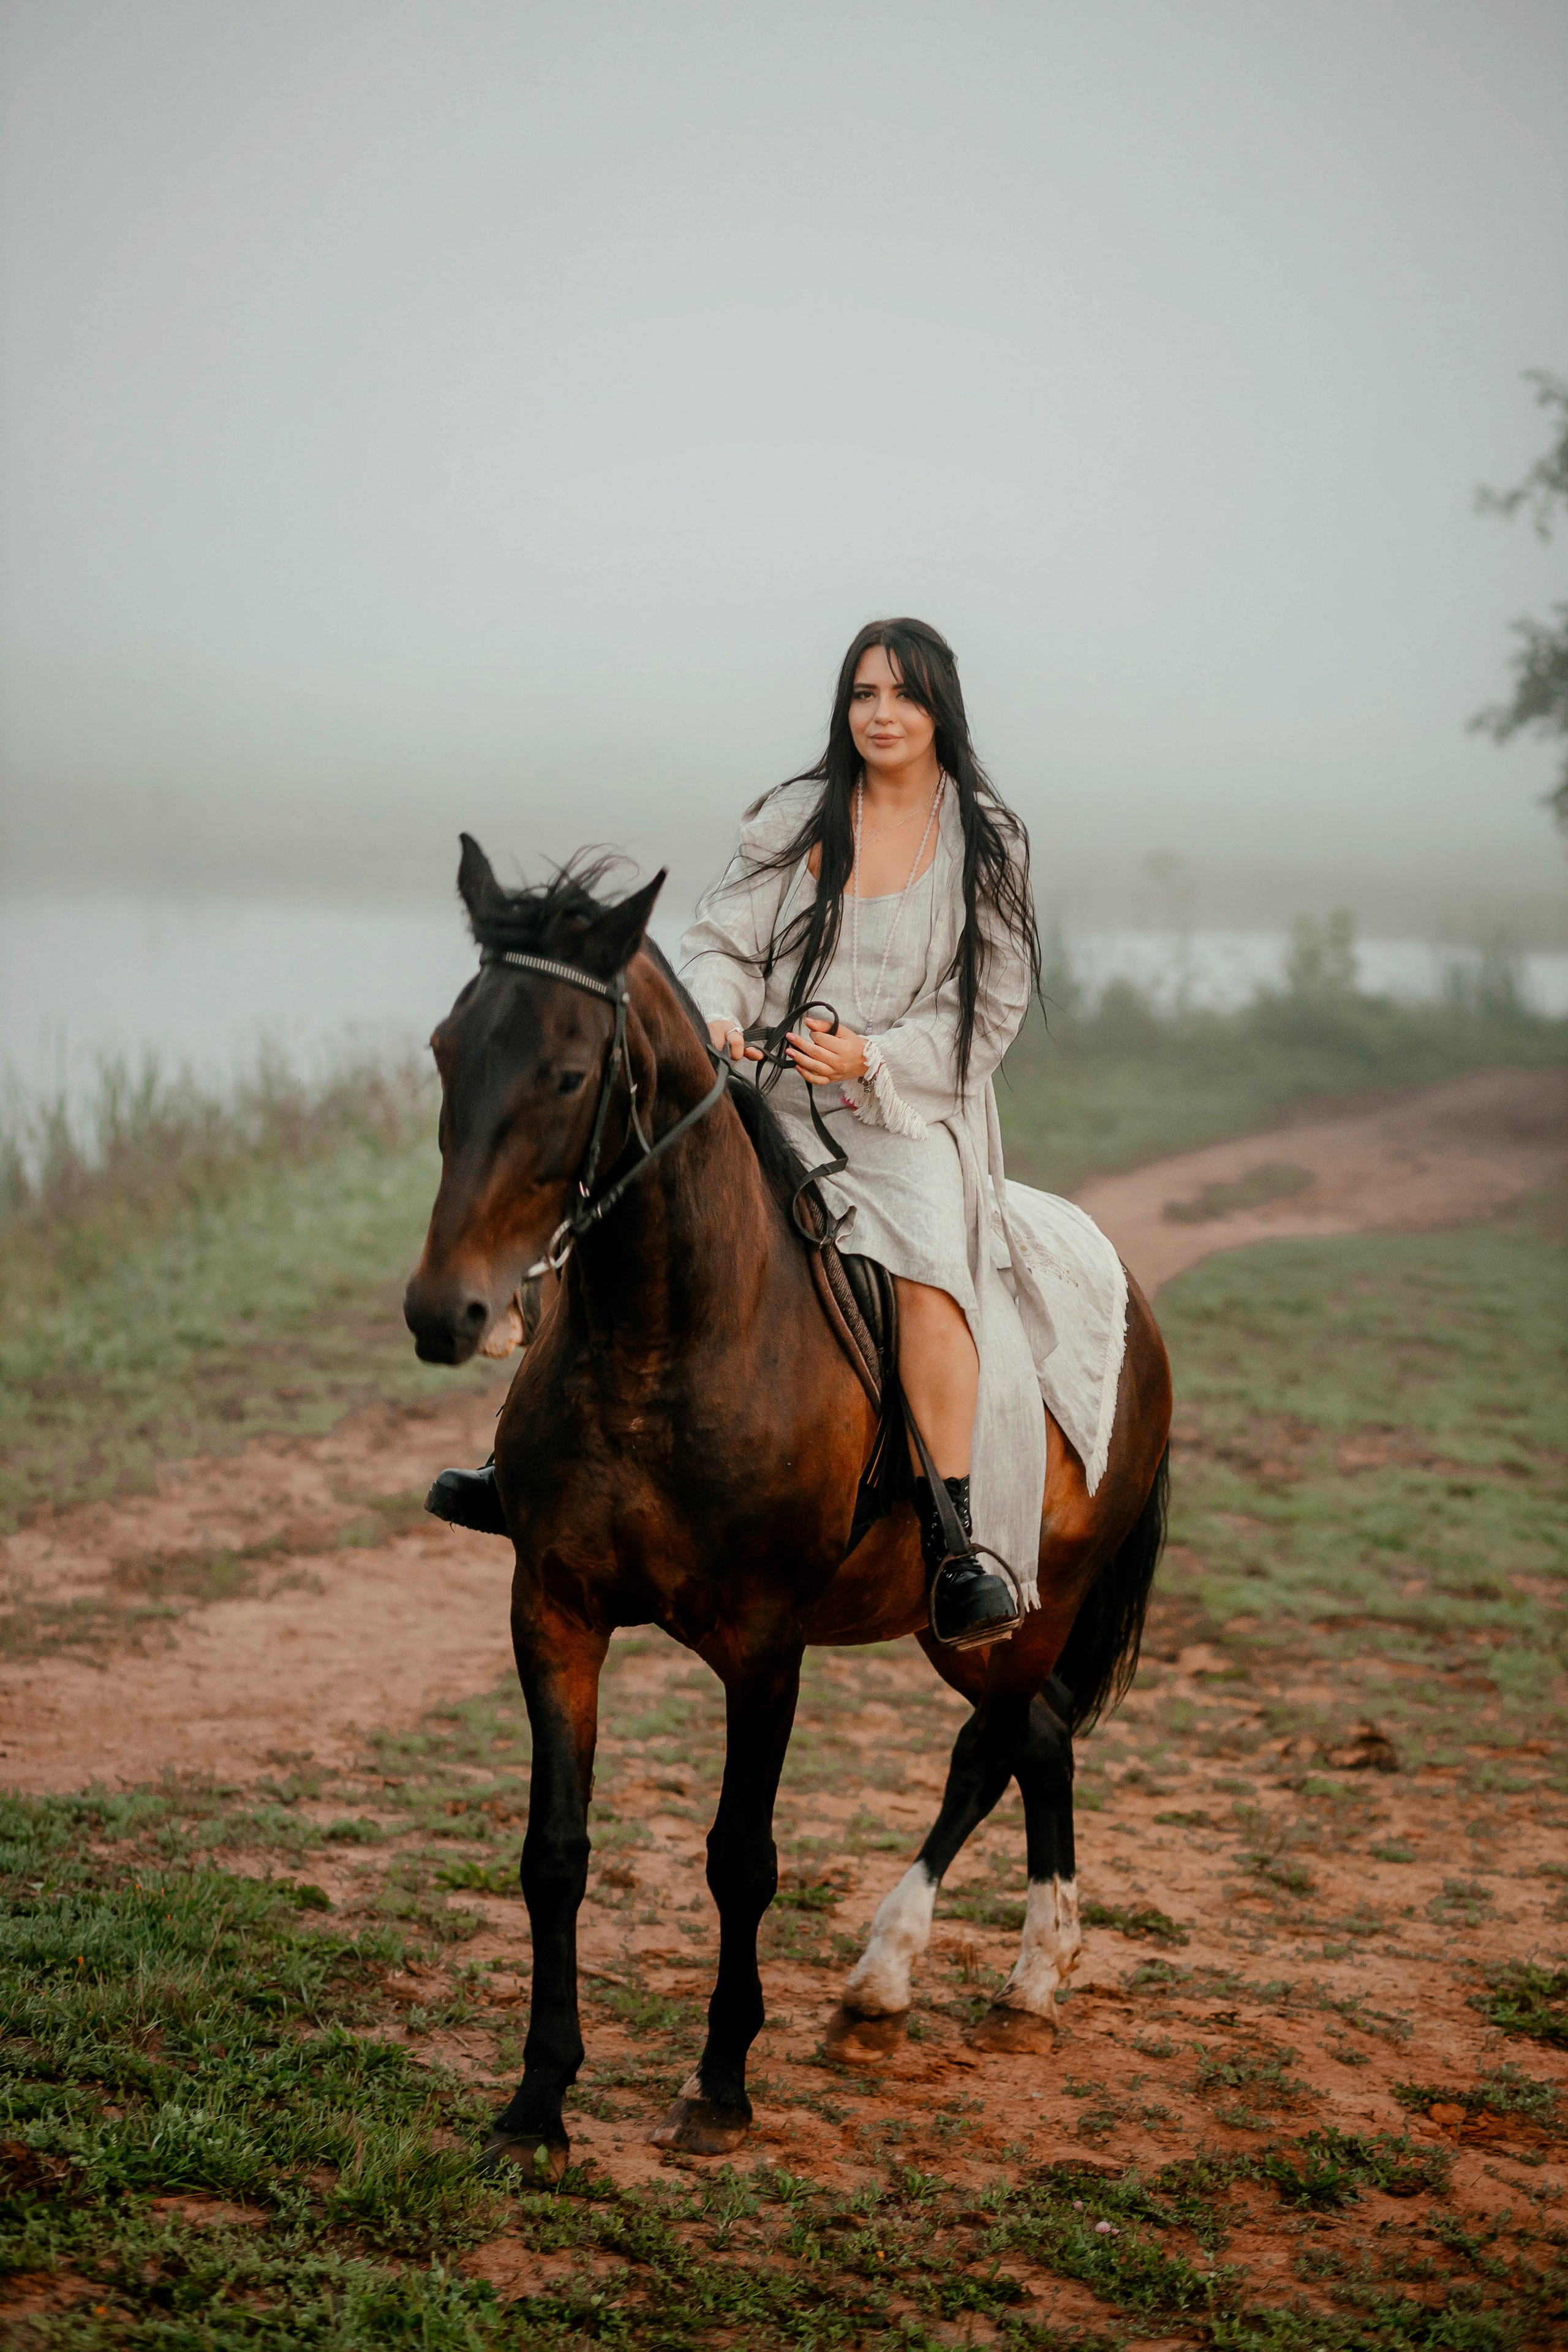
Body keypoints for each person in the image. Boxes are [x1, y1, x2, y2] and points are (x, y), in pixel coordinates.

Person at [676, 617, 1052, 1649]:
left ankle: (954, 1542)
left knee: (932, 1267)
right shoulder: (799, 815)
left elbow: (991, 1010)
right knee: (633, 1183)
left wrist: (872, 1058)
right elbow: (720, 940)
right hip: (762, 1085)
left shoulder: (987, 839)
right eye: (863, 695)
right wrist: (716, 1007)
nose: (881, 715)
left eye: (905, 695)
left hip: (900, 1107)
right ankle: (527, 1457)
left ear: (941, 711)